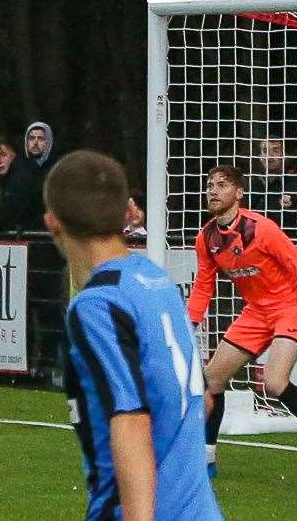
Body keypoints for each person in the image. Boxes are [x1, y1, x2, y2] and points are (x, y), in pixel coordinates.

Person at [44, 150, 221, 521]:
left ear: (52, 223)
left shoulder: (97, 305)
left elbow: (130, 420)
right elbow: (202, 400)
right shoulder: (157, 280)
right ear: (128, 214)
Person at [187, 165, 297, 477]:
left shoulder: (261, 228)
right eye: (210, 184)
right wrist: (188, 325)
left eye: (222, 185)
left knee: (275, 382)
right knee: (211, 381)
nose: (212, 190)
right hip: (255, 312)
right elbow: (203, 287)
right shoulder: (206, 238)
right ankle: (207, 459)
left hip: (289, 308)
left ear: (239, 194)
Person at [247, 137, 297, 246]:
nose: (270, 156)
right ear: (260, 157)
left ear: (285, 155)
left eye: (276, 150)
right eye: (265, 151)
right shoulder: (253, 185)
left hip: (294, 245)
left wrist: (293, 204)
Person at [0, 137, 43, 232]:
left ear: (13, 155)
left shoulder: (21, 176)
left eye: (3, 155)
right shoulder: (11, 175)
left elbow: (13, 211)